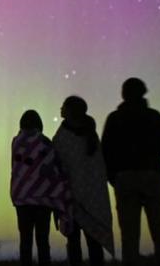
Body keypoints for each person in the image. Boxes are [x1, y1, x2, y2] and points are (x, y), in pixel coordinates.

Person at [101, 78, 160, 266]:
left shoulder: (115, 118)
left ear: (123, 94)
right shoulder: (154, 117)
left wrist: (114, 177)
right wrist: (152, 152)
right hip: (152, 177)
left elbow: (105, 152)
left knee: (129, 236)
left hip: (126, 180)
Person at [53, 96, 114, 266]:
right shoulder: (90, 133)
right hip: (90, 198)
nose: (61, 108)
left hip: (72, 198)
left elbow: (57, 167)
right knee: (91, 242)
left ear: (70, 110)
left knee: (76, 243)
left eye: (64, 105)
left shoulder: (65, 136)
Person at [11, 110, 72, 266]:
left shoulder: (16, 142)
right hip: (43, 199)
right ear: (40, 124)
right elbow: (55, 168)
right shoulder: (45, 142)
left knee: (25, 241)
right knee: (43, 241)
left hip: (22, 198)